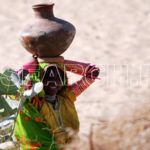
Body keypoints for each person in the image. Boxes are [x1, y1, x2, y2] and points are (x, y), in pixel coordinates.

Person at [14, 56, 100, 150]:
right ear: (39, 79)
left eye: (58, 77)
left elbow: (92, 72)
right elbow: (19, 78)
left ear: (63, 81)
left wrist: (59, 61)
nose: (53, 82)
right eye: (48, 77)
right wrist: (38, 62)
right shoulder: (33, 101)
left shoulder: (66, 98)